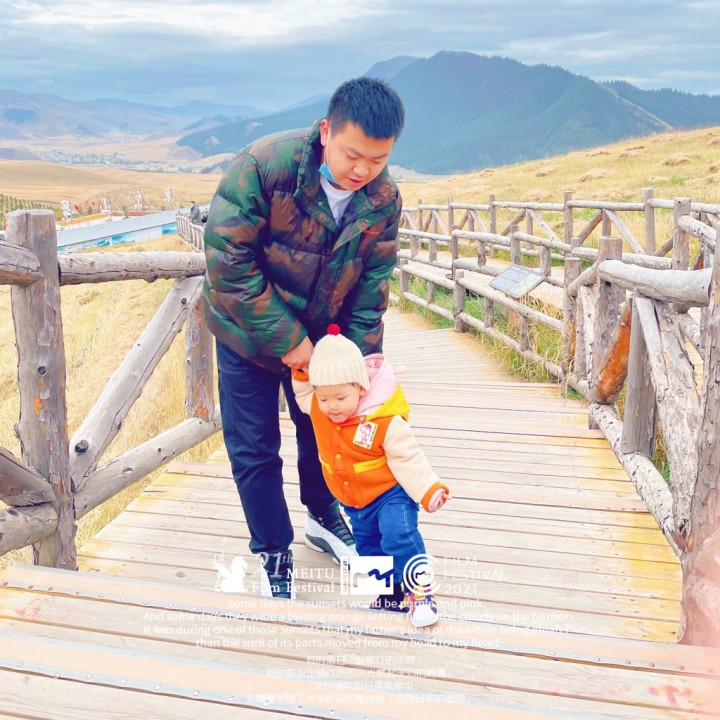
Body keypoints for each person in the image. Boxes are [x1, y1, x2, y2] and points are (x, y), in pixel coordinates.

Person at [202, 77, 405, 599]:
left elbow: (372, 285)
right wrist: (292, 342)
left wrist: (357, 364)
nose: (362, 171)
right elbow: (228, 263)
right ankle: (273, 550)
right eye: (352, 155)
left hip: (325, 340)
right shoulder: (264, 166)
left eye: (378, 160)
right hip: (246, 334)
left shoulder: (383, 198)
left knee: (326, 430)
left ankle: (323, 515)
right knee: (254, 447)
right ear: (326, 131)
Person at [292, 325, 450, 627]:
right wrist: (301, 373)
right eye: (324, 399)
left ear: (361, 389)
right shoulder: (318, 408)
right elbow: (303, 395)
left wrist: (429, 489)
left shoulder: (383, 419)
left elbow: (408, 457)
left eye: (340, 397)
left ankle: (420, 594)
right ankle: (389, 594)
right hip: (355, 502)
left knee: (398, 536)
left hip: (391, 494)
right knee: (369, 548)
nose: (331, 407)